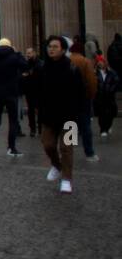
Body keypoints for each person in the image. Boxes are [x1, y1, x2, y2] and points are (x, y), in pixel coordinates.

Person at [40, 36, 86, 194]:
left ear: (63, 49)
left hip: (70, 117)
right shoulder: (43, 68)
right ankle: (57, 165)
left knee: (67, 148)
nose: (51, 49)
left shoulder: (73, 68)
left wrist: (80, 112)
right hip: (49, 117)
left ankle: (67, 179)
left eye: (55, 46)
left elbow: (81, 92)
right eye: (49, 46)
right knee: (48, 145)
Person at [0, 38, 27, 156]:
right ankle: (11, 147)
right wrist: (17, 53)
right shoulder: (14, 57)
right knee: (13, 121)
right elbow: (25, 65)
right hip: (11, 93)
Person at [68, 48, 99, 161]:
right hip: (83, 98)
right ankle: (89, 153)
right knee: (85, 126)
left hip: (69, 99)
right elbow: (92, 80)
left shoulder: (67, 60)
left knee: (70, 125)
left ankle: (68, 152)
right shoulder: (85, 61)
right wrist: (91, 95)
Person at [22, 46, 42, 137]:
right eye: (27, 53)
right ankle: (32, 129)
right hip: (29, 90)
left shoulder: (40, 63)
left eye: (29, 53)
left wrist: (29, 74)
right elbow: (23, 75)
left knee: (39, 109)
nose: (28, 55)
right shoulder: (26, 64)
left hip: (38, 90)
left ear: (34, 53)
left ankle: (41, 128)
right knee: (31, 110)